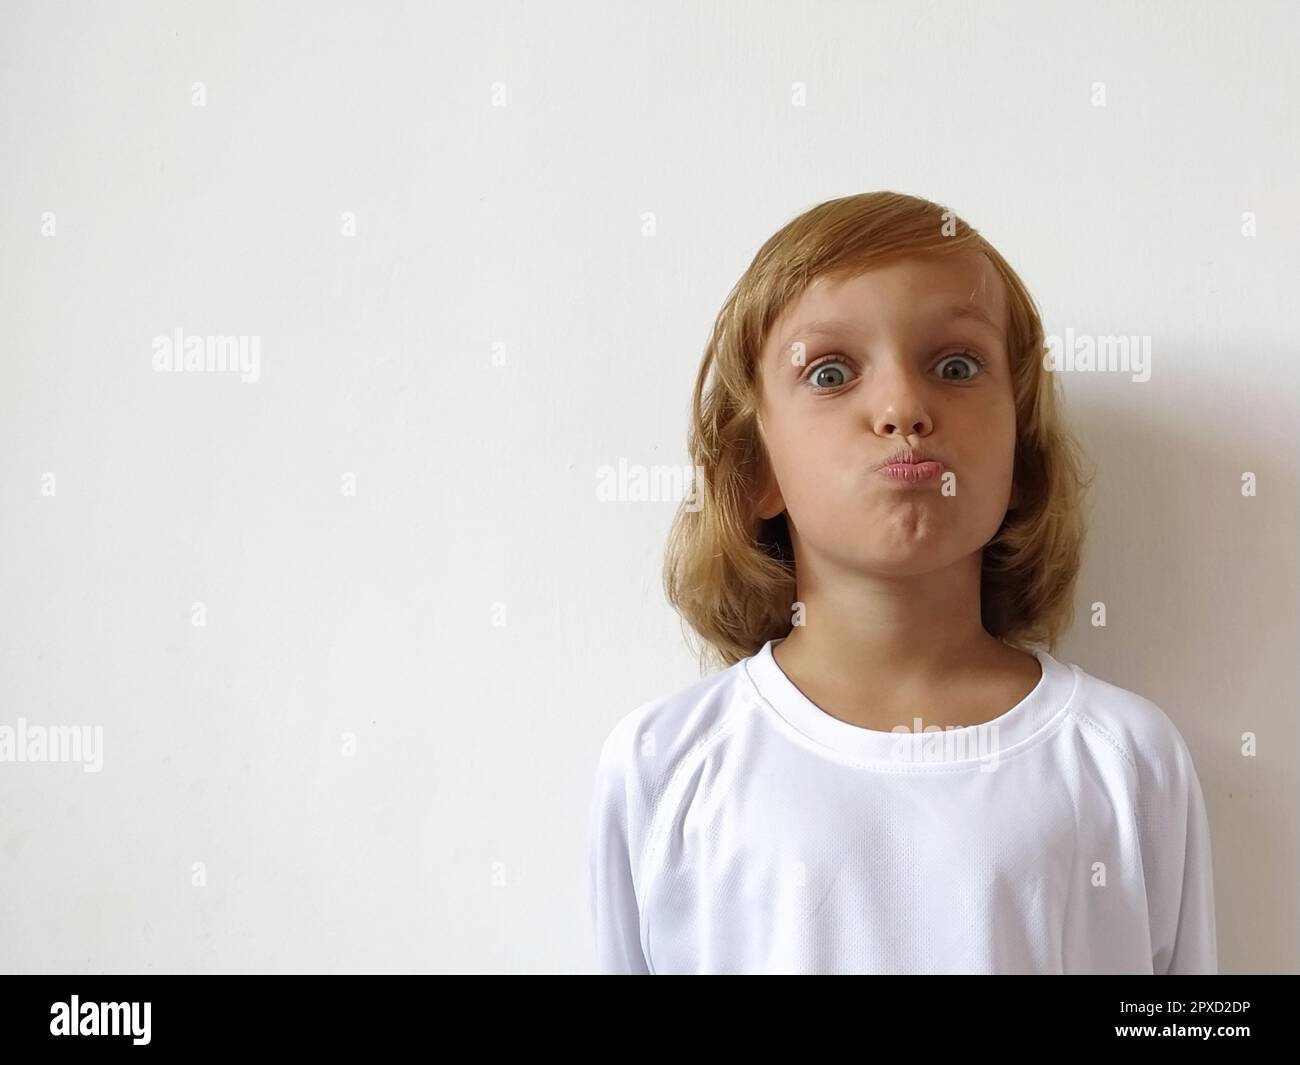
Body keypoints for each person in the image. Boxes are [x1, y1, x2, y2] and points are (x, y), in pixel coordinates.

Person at [586, 191, 1218, 975]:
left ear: (1021, 455)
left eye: (956, 366)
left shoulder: (1127, 759)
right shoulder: (665, 765)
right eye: (830, 372)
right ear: (755, 468)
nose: (903, 407)